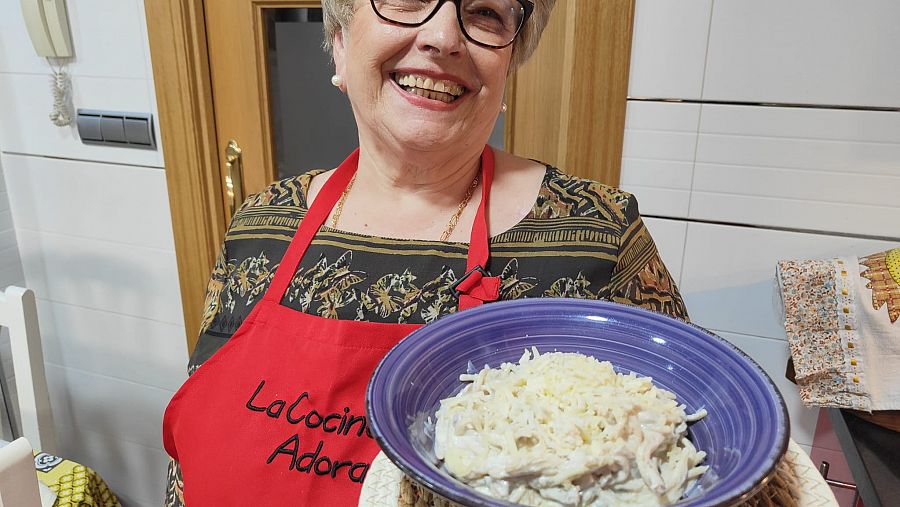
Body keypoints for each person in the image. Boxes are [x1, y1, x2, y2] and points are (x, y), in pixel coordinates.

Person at [162, 0, 688, 505]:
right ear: (340, 42)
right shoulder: (263, 223)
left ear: (509, 61)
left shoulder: (598, 231)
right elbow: (191, 453)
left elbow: (689, 454)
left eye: (484, 11)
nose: (442, 38)